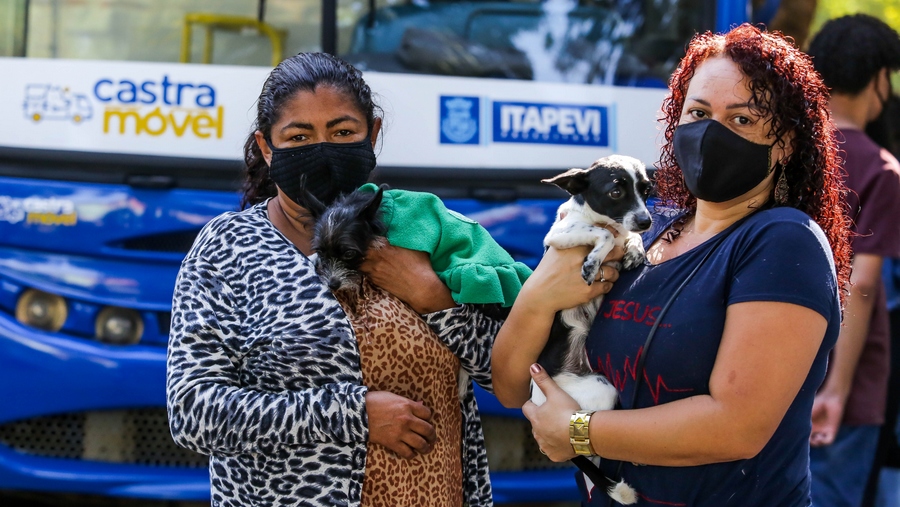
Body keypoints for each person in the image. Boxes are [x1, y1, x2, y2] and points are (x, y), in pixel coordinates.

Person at [492, 23, 852, 506]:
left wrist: (580, 433)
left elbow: (735, 427)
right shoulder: (641, 233)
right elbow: (512, 387)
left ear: (784, 142)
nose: (710, 134)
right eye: (699, 112)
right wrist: (538, 297)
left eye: (741, 119)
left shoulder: (783, 242)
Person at [165, 52, 515, 507]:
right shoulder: (228, 248)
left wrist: (431, 296)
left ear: (373, 134)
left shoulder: (426, 232)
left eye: (342, 132)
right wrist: (353, 414)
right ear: (267, 147)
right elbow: (193, 412)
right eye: (299, 136)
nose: (323, 149)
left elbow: (510, 378)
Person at [806, 15, 900, 507]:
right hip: (845, 385)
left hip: (773, 369)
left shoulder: (792, 153)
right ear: (880, 78)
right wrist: (837, 390)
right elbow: (861, 285)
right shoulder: (882, 170)